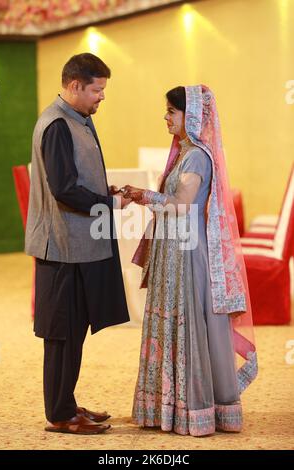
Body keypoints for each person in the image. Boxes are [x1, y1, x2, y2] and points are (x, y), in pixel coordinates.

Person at [123, 85, 258, 437]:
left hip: (186, 251)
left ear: (192, 116)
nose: (166, 117)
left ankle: (193, 408)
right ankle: (166, 407)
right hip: (173, 248)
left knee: (187, 324)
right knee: (171, 323)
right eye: (166, 111)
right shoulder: (184, 152)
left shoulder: (197, 155)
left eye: (172, 111)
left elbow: (182, 203)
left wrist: (142, 195)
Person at [25, 53, 130, 435]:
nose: (101, 97)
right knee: (61, 333)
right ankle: (59, 415)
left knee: (74, 330)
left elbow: (78, 178)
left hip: (79, 245)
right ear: (74, 86)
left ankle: (66, 403)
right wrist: (109, 203)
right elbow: (65, 189)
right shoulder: (56, 125)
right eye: (96, 90)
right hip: (62, 249)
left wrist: (105, 192)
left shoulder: (78, 119)